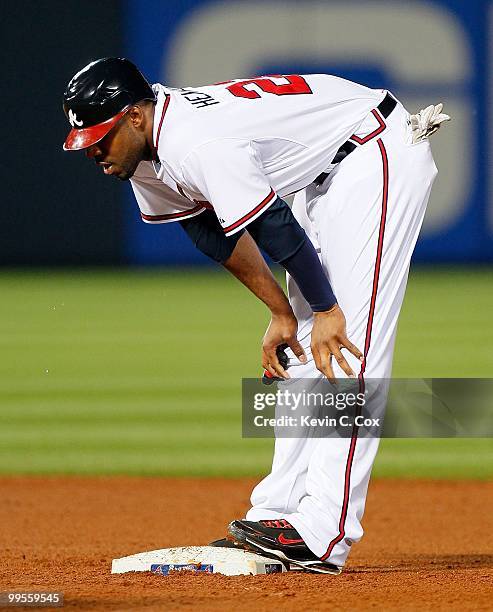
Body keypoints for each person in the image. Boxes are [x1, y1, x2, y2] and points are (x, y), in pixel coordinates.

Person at [62, 57, 448, 574]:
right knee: (307, 348)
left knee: (349, 339)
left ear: (134, 116)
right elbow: (211, 233)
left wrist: (327, 307)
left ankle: (324, 532)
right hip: (324, 171)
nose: (96, 154)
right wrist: (280, 311)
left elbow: (269, 222)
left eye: (101, 139)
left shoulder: (193, 141)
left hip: (372, 150)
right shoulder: (143, 154)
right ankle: (279, 511)